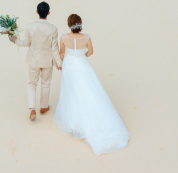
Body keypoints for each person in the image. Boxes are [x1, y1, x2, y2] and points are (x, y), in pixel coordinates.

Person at [53, 13, 129, 155]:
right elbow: (91, 51)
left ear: (69, 24)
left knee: (71, 90)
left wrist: (61, 62)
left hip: (69, 65)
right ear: (80, 24)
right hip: (82, 64)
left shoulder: (63, 37)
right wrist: (82, 57)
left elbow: (62, 53)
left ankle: (73, 121)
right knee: (88, 89)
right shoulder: (86, 37)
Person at [8, 1, 62, 121]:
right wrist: (59, 63)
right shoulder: (53, 29)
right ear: (48, 13)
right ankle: (43, 107)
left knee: (32, 83)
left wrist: (15, 40)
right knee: (46, 83)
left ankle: (32, 108)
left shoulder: (30, 26)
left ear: (37, 12)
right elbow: (54, 48)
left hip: (33, 60)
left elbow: (26, 43)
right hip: (47, 61)